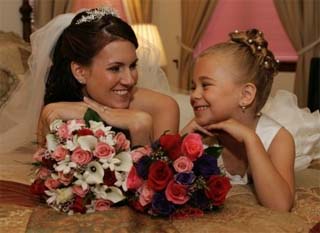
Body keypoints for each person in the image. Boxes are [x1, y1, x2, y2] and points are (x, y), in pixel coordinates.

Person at [181, 29, 295, 211]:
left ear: (246, 95)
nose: (194, 95)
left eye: (206, 85)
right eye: (193, 86)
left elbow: (280, 205)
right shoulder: (201, 134)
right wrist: (183, 138)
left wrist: (251, 139)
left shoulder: (279, 139)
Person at [30, 8, 178, 148]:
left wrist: (140, 126)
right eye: (115, 68)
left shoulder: (162, 109)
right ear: (80, 72)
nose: (130, 80)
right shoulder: (58, 108)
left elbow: (162, 173)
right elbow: (49, 170)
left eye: (133, 66)